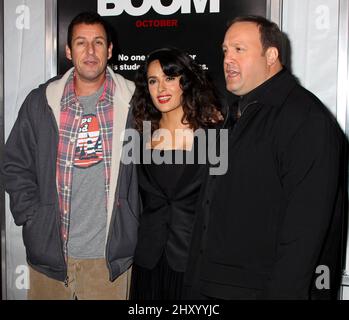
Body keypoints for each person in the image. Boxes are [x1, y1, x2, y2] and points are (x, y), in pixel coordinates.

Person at [184, 15, 345, 300]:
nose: (227, 59)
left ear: (271, 56)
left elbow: (304, 236)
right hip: (212, 287)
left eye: (239, 49)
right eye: (225, 51)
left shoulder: (305, 118)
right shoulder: (238, 114)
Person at [2, 11, 140, 300]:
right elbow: (14, 163)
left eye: (98, 42)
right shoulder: (41, 101)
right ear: (68, 50)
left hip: (108, 261)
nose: (90, 51)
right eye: (81, 42)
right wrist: (32, 217)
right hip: (50, 257)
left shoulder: (134, 103)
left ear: (110, 50)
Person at [129, 47, 223, 299]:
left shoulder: (216, 138)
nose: (161, 88)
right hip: (148, 262)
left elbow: (225, 205)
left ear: (186, 82)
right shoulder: (136, 138)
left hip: (196, 264)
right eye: (153, 80)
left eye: (169, 78)